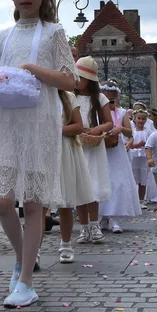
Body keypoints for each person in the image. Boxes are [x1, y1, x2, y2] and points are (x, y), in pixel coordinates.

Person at [0, 0, 76, 308]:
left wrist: (34, 70)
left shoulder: (54, 33)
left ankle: (25, 281)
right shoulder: (3, 37)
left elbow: (70, 79)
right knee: (3, 200)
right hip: (7, 124)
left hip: (40, 122)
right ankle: (23, 259)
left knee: (34, 203)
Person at [72, 57, 112, 243]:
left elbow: (109, 122)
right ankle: (84, 226)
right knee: (79, 186)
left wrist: (98, 129)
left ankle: (95, 225)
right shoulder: (70, 96)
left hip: (94, 146)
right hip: (77, 144)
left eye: (82, 77)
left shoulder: (100, 98)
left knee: (93, 184)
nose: (78, 80)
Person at [99, 83, 142, 232]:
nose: (109, 105)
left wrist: (121, 129)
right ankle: (103, 217)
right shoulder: (97, 112)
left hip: (116, 152)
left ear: (116, 100)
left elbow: (130, 133)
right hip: (102, 150)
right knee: (103, 181)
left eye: (112, 101)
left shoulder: (121, 113)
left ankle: (116, 218)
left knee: (117, 182)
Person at [55, 90, 91, 263]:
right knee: (38, 204)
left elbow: (78, 126)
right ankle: (34, 251)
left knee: (66, 200)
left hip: (64, 149)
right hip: (40, 149)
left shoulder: (67, 96)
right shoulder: (33, 91)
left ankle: (66, 243)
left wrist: (56, 130)